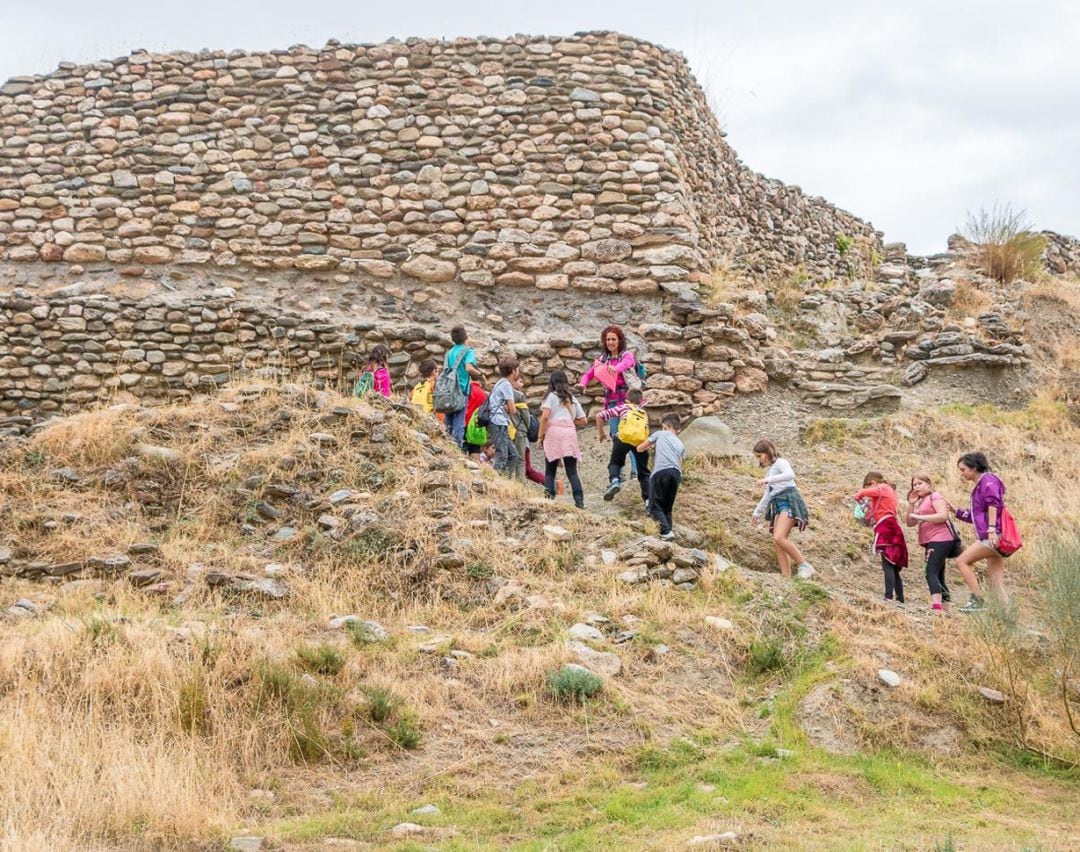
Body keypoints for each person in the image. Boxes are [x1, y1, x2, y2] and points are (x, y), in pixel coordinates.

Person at [949, 452, 1010, 612]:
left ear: (974, 468)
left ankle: (977, 599)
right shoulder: (982, 484)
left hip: (992, 535)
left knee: (962, 561)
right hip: (995, 535)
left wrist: (991, 529)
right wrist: (955, 511)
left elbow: (993, 505)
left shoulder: (987, 481)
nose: (962, 474)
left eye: (963, 470)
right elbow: (976, 517)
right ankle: (1006, 615)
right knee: (995, 580)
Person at [580, 325, 639, 476]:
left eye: (613, 339)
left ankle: (635, 471)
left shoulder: (626, 355)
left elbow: (626, 364)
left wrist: (616, 369)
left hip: (628, 403)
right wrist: (583, 383)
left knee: (631, 436)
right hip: (612, 403)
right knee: (616, 437)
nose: (610, 342)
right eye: (608, 340)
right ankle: (619, 473)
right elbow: (589, 374)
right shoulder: (602, 359)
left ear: (620, 340)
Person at [750, 440, 814, 579]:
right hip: (778, 505)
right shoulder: (770, 472)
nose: (759, 460)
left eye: (759, 456)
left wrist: (768, 480)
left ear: (767, 453)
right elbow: (768, 494)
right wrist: (757, 512)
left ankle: (805, 565)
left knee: (780, 537)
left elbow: (790, 475)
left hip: (788, 501)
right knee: (777, 541)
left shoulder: (781, 462)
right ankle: (786, 577)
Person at [906, 473, 959, 612]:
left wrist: (920, 516)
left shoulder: (935, 496)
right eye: (914, 484)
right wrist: (911, 505)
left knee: (930, 571)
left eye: (920, 483)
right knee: (939, 574)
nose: (916, 487)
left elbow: (943, 515)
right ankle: (946, 609)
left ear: (929, 484)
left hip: (941, 538)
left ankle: (936, 606)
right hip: (932, 541)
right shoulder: (921, 502)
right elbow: (910, 523)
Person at [855, 472, 909, 604]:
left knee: (887, 564)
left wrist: (859, 495)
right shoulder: (890, 491)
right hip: (892, 526)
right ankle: (900, 599)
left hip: (886, 527)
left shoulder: (882, 488)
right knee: (893, 566)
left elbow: (861, 493)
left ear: (873, 483)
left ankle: (888, 596)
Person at [538, 370, 587, 508]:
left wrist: (540, 437)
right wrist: (569, 421)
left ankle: (548, 501)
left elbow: (545, 417)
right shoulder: (572, 399)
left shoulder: (550, 397)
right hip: (569, 433)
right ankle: (579, 502)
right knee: (572, 471)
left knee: (550, 471)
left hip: (553, 433)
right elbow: (583, 420)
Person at [596, 387, 650, 505]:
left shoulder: (623, 407)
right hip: (639, 442)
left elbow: (600, 416)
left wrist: (601, 433)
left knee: (615, 462)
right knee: (644, 472)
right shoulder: (643, 412)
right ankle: (648, 500)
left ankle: (615, 481)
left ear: (627, 400)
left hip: (622, 438)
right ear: (641, 401)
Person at [636, 413, 684, 541]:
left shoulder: (659, 434)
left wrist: (650, 445)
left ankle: (666, 531)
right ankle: (669, 537)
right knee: (667, 509)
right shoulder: (680, 443)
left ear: (666, 426)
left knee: (653, 505)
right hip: (676, 474)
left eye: (664, 427)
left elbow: (640, 448)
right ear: (677, 429)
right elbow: (680, 462)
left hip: (661, 471)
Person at [443, 326, 485, 447]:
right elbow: (468, 367)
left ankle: (447, 447)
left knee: (448, 422)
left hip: (448, 390)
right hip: (461, 390)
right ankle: (456, 448)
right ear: (466, 337)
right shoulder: (468, 351)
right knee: (459, 422)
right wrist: (480, 374)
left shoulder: (449, 353)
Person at [487, 357, 519, 476]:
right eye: (517, 369)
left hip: (498, 422)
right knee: (502, 455)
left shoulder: (500, 382)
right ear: (513, 371)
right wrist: (511, 408)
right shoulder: (506, 385)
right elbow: (513, 409)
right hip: (498, 422)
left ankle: (507, 481)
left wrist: (508, 408)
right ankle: (497, 482)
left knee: (513, 455)